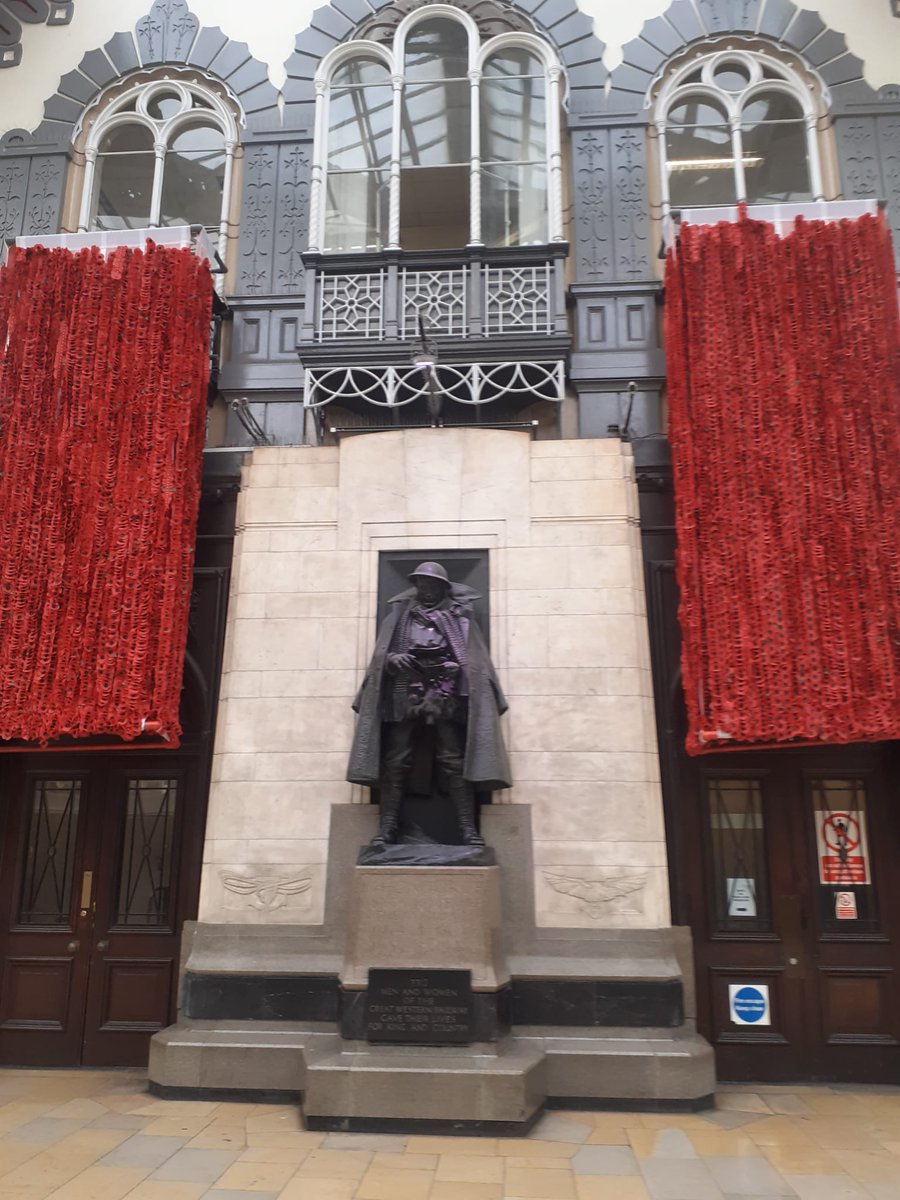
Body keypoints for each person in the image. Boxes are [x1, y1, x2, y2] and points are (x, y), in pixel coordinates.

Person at [347, 561, 511, 847]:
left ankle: (467, 829)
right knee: (396, 760)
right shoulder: (400, 616)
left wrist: (454, 665)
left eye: (432, 586)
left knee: (452, 758)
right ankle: (387, 830)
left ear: (443, 588)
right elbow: (381, 655)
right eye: (422, 585)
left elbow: (472, 659)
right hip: (403, 691)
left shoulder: (458, 618)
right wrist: (392, 659)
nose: (427, 591)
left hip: (443, 692)